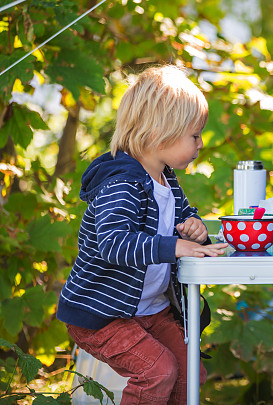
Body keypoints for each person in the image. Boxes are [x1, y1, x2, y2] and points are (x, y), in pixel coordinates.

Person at [57, 65, 229, 405]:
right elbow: (113, 244)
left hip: (149, 310)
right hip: (103, 315)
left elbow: (181, 221)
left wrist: (194, 229)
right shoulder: (121, 184)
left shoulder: (167, 180)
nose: (201, 142)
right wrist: (176, 246)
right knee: (156, 372)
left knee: (190, 370)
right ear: (160, 133)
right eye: (194, 135)